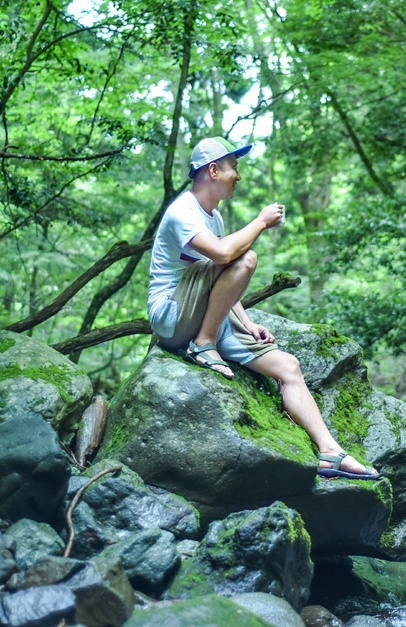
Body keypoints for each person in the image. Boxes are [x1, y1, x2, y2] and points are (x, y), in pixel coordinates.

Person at [147, 136, 380, 480]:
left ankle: (330, 452)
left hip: (200, 313)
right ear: (214, 170)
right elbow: (226, 257)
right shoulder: (182, 211)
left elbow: (221, 280)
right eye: (234, 168)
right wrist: (260, 222)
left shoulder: (215, 218)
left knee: (289, 366)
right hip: (174, 318)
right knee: (246, 256)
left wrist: (247, 321)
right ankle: (204, 345)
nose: (238, 176)